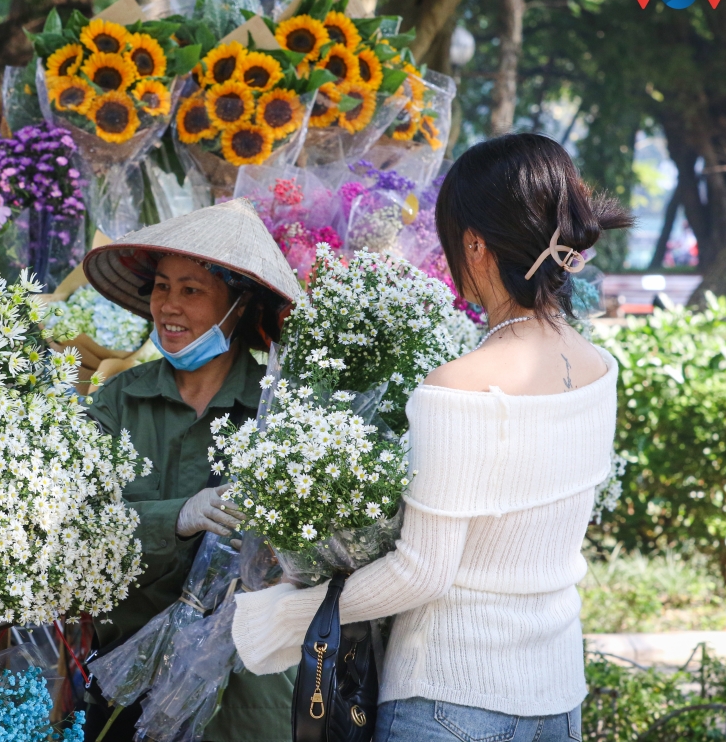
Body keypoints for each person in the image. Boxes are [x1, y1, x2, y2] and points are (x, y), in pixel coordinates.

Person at [231, 133, 633, 742]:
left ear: (474, 244)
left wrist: (284, 615)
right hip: (557, 699)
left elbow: (422, 572)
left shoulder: (458, 385)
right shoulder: (601, 368)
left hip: (453, 696)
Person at [81, 198, 303, 742]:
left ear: (238, 306)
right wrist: (177, 517)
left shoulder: (283, 411)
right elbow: (78, 524)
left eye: (192, 290)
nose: (168, 307)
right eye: (162, 286)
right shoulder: (120, 399)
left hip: (246, 697)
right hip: (128, 678)